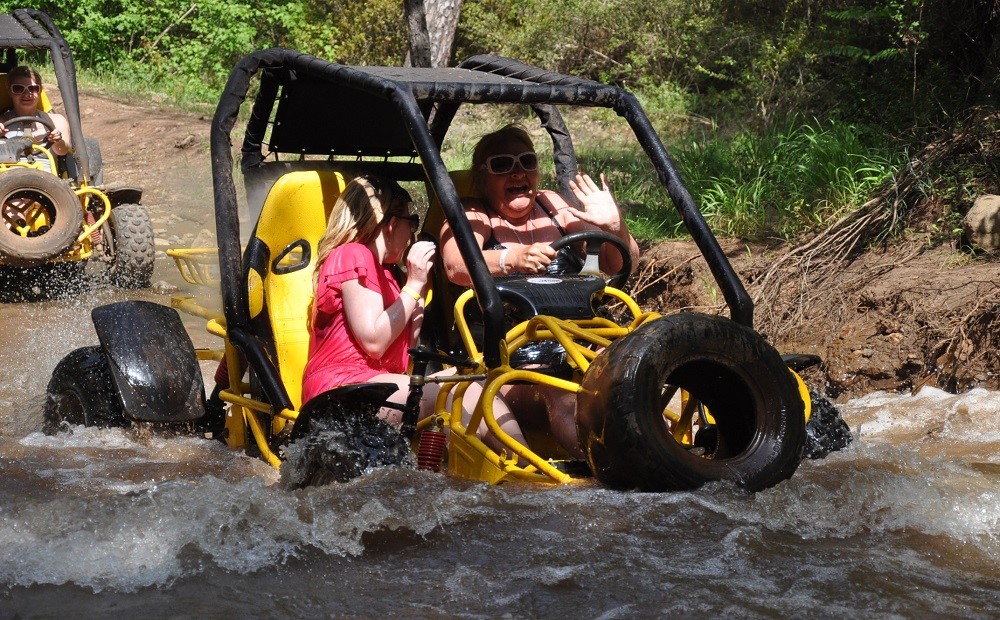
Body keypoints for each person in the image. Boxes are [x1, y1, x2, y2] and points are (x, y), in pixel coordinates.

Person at [438, 123, 640, 458]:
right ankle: (604, 474)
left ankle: (671, 456)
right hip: (512, 369)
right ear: (482, 176)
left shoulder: (553, 205)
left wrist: (615, 225)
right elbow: (457, 266)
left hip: (581, 349)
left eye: (526, 162)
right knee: (558, 389)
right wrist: (511, 258)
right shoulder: (473, 212)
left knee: (629, 373)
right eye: (503, 164)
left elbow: (617, 263)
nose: (517, 172)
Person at [302, 175, 525, 448]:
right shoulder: (352, 254)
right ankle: (526, 473)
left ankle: (514, 471)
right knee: (463, 392)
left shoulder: (389, 275)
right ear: (392, 223)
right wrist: (414, 284)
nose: (412, 234)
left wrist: (418, 290)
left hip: (378, 387)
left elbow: (403, 354)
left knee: (478, 384)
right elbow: (374, 341)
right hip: (342, 393)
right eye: (412, 223)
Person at [0, 65, 71, 163]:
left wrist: (57, 141)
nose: (27, 94)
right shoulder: (1, 122)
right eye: (18, 89)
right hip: (8, 175)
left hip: (46, 175)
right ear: (9, 91)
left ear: (40, 90)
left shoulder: (57, 121)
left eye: (33, 88)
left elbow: (63, 151)